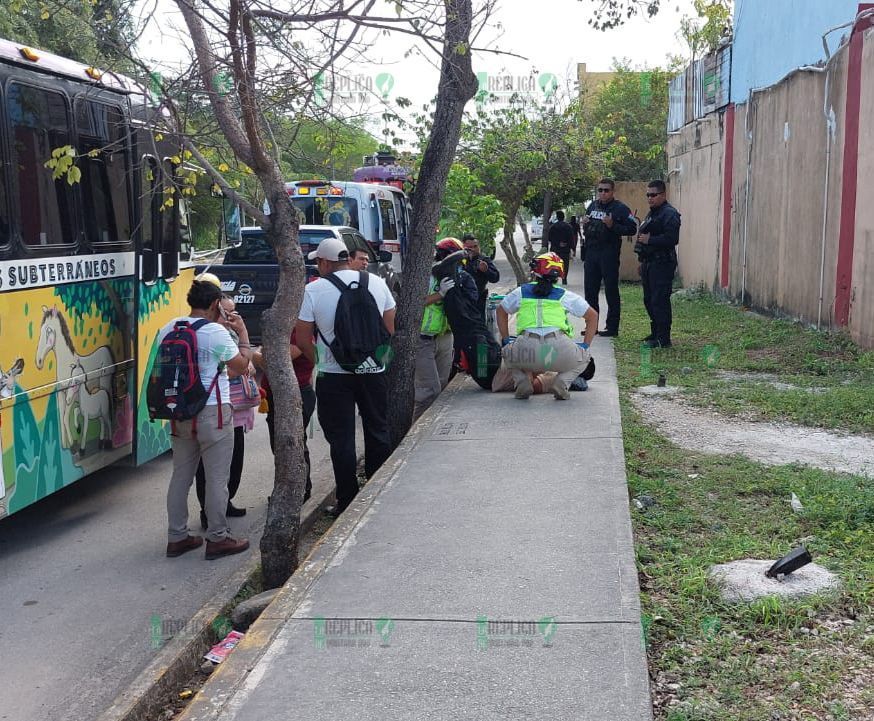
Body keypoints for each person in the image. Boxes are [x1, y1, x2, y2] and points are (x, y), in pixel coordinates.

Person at [295, 237, 396, 517]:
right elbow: (389, 328)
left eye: (318, 261)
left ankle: (348, 501)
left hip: (333, 377)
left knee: (341, 440)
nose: (317, 265)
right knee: (378, 429)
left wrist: (323, 362)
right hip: (373, 371)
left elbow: (303, 339)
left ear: (326, 262)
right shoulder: (376, 282)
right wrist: (376, 360)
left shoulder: (313, 290)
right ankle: (378, 496)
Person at [161, 279, 251, 560]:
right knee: (216, 478)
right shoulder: (215, 332)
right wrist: (242, 333)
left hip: (179, 412)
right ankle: (217, 538)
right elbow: (242, 365)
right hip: (214, 411)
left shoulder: (170, 327)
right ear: (215, 305)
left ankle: (177, 537)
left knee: (180, 476)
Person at [497, 252, 598, 400]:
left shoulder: (521, 292)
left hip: (526, 351)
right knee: (585, 357)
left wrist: (506, 341)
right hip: (558, 351)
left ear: (535, 271)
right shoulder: (565, 295)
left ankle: (522, 382)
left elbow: (501, 311)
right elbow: (593, 316)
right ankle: (561, 383)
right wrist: (584, 346)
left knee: (506, 352)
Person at [194, 295, 253, 529]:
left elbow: (246, 364)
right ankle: (209, 513)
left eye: (234, 312)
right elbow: (235, 368)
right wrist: (241, 365)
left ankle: (225, 502)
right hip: (219, 408)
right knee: (211, 467)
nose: (231, 318)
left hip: (237, 406)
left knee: (235, 459)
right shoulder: (213, 336)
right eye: (226, 312)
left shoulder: (231, 335)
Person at [253, 326, 315, 503]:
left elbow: (274, 360)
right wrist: (260, 355)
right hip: (274, 395)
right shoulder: (280, 329)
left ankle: (300, 490)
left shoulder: (300, 333)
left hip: (296, 394)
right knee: (280, 445)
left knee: (293, 444)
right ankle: (289, 489)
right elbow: (263, 356)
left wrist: (258, 355)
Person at [431, 240, 502, 390]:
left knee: (477, 341)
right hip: (467, 323)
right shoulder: (457, 275)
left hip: (465, 321)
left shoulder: (465, 274)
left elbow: (489, 281)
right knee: (480, 341)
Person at [582, 179, 637, 338]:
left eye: (606, 190)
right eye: (600, 190)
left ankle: (612, 327)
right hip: (592, 253)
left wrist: (613, 225)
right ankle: (591, 326)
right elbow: (588, 227)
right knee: (590, 291)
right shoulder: (592, 206)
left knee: (611, 291)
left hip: (609, 253)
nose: (603, 193)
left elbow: (632, 229)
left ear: (613, 192)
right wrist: (584, 223)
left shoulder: (620, 208)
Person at [414, 238, 459, 418]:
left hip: (444, 337)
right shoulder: (426, 277)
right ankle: (414, 434)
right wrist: (440, 294)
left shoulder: (453, 276)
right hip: (423, 339)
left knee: (441, 387)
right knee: (428, 391)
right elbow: (415, 303)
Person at [635, 179, 681, 348]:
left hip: (662, 263)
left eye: (653, 195)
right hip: (649, 263)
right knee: (649, 300)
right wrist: (641, 261)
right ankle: (655, 333)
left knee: (659, 300)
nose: (650, 198)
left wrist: (650, 240)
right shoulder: (652, 213)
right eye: (648, 195)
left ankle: (664, 338)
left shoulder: (670, 213)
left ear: (663, 194)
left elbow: (672, 238)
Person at [461, 234, 500, 319]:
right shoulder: (459, 260)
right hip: (462, 300)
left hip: (479, 300)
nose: (473, 249)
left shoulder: (484, 259)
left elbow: (495, 278)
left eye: (475, 246)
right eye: (470, 247)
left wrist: (486, 270)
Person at [547, 210, 575, 285]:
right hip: (565, 250)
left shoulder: (553, 227)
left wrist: (557, 243)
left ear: (557, 217)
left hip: (555, 249)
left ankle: (554, 278)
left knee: (554, 264)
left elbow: (549, 238)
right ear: (563, 217)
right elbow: (571, 238)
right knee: (565, 265)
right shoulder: (568, 227)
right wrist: (572, 248)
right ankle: (564, 279)